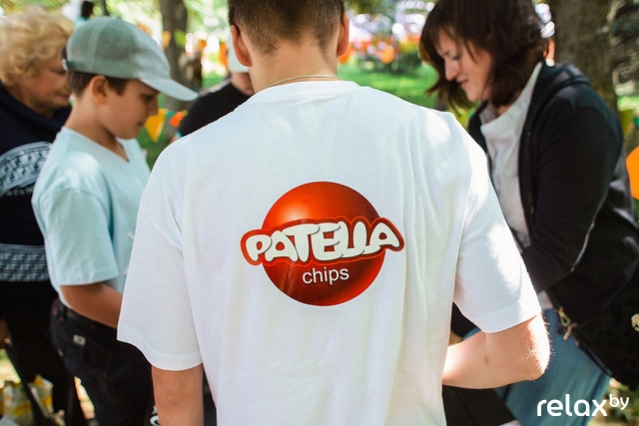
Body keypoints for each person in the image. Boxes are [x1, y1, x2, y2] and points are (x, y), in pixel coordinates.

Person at [117, 1, 550, 424]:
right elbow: (521, 352)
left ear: (239, 44)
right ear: (343, 33)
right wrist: (407, 368)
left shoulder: (184, 169)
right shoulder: (439, 143)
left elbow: (174, 392)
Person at [420, 0, 639, 425]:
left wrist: (464, 318)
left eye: (454, 54)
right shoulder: (485, 123)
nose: (449, 71)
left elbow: (556, 252)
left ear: (492, 39)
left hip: (578, 328)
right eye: (443, 60)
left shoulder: (574, 113)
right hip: (515, 312)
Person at [31, 17, 197, 425]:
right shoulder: (74, 177)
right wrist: (168, 328)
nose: (154, 110)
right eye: (146, 97)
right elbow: (82, 293)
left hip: (138, 324)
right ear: (101, 88)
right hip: (109, 338)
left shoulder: (122, 141)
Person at [0, 8, 88, 425]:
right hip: (20, 304)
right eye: (58, 71)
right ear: (21, 67)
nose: (69, 82)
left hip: (75, 293)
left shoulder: (68, 118)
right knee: (43, 406)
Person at [174, 35, 254, 141]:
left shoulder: (269, 98)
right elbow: (176, 145)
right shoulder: (205, 105)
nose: (251, 77)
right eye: (244, 73)